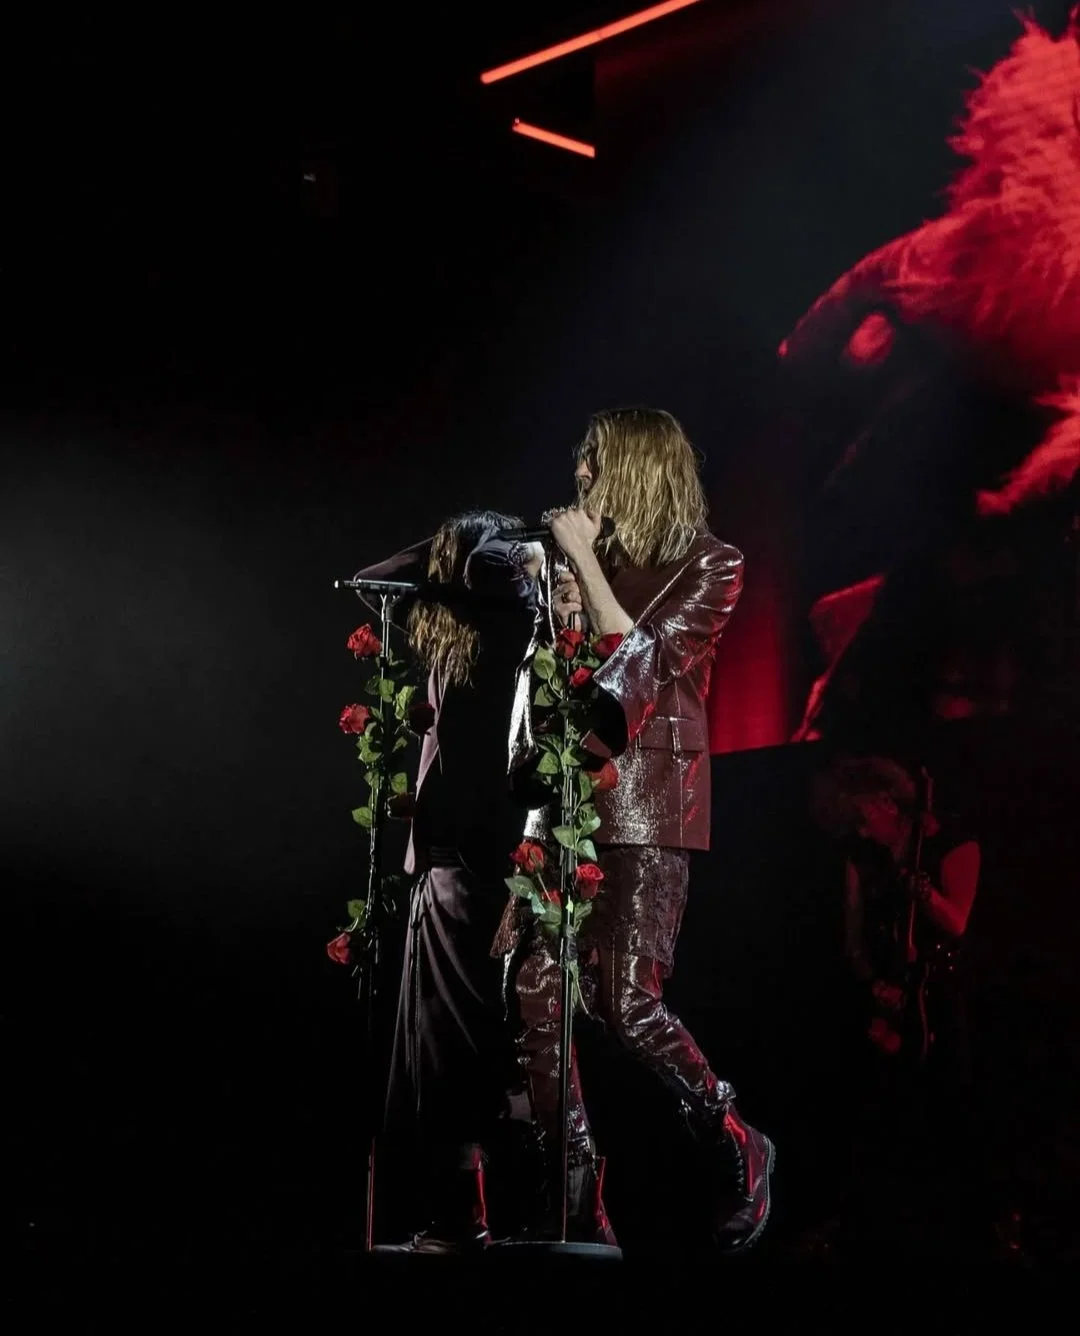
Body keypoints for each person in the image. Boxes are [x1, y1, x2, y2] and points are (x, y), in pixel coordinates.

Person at [493, 406, 775, 1252]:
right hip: (564, 806)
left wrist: (583, 565)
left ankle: (735, 1136)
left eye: (594, 460)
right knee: (533, 992)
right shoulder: (578, 561)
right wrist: (555, 598)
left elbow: (639, 666)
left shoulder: (712, 565)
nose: (579, 475)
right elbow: (555, 688)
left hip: (649, 808)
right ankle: (574, 1200)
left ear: (639, 467)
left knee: (625, 1003)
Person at [351, 510, 544, 1255]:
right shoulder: (460, 635)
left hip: (475, 861)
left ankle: (472, 1216)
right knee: (447, 1044)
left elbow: (385, 578)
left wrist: (464, 548)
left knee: (460, 1042)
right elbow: (371, 583)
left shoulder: (505, 629)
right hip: (448, 858)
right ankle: (464, 1212)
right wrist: (449, 548)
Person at [809, 754, 983, 1255]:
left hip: (939, 1000)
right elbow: (853, 940)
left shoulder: (951, 841)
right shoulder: (861, 858)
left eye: (863, 818)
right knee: (875, 1107)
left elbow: (956, 922)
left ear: (887, 803)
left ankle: (962, 1226)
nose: (861, 832)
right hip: (886, 998)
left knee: (945, 1101)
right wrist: (873, 986)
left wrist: (922, 893)